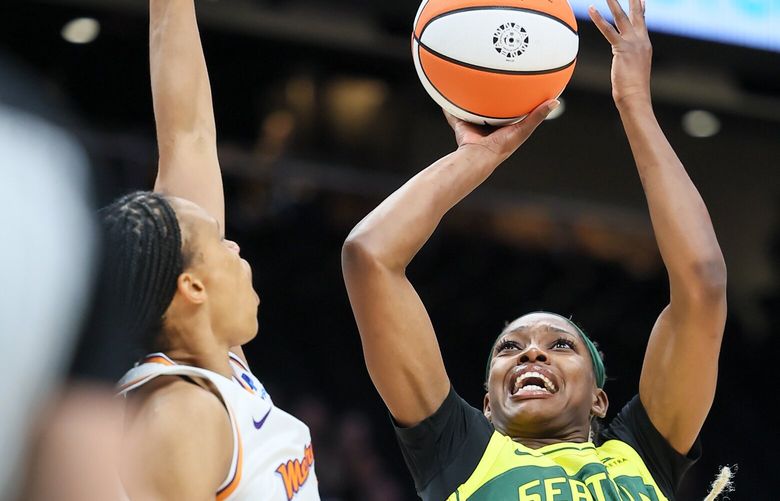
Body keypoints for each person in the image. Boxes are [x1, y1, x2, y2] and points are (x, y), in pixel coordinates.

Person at [341, 0, 728, 499]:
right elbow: (369, 256)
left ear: (599, 400)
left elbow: (703, 283)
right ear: (484, 404)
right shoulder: (460, 452)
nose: (532, 354)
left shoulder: (640, 454)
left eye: (560, 345)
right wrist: (477, 157)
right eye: (510, 349)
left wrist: (635, 104)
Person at [109, 1, 319, 499]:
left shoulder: (217, 373)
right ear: (193, 286)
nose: (233, 243)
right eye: (219, 243)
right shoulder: (179, 412)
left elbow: (188, 136)